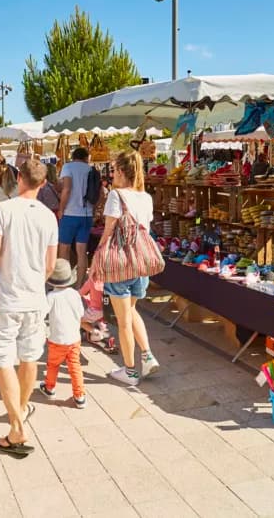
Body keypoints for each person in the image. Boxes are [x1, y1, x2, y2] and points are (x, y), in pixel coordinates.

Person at [0, 158, 58, 457]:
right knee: (29, 358)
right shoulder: (48, 217)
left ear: (19, 179)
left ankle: (17, 426)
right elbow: (50, 264)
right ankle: (18, 412)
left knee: (3, 358)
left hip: (6, 298)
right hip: (34, 298)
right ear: (43, 184)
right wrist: (35, 282)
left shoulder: (2, 211)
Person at [92, 149, 160, 386]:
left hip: (120, 263)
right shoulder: (146, 197)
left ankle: (130, 372)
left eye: (113, 170)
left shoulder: (116, 195)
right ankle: (148, 355)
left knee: (122, 322)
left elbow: (108, 232)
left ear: (121, 171)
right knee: (131, 311)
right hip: (141, 264)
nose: (111, 175)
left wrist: (96, 260)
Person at [38, 259, 86, 408]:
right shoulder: (74, 294)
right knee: (75, 367)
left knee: (52, 365)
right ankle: (79, 396)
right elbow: (81, 313)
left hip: (57, 339)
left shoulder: (51, 297)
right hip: (74, 339)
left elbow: (42, 313)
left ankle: (50, 387)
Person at [57, 147, 95, 285]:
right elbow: (99, 193)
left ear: (74, 156)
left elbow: (66, 189)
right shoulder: (90, 169)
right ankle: (79, 285)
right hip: (86, 214)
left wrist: (61, 209)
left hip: (70, 213)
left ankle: (63, 282)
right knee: (82, 251)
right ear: (86, 157)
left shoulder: (68, 167)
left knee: (64, 249)